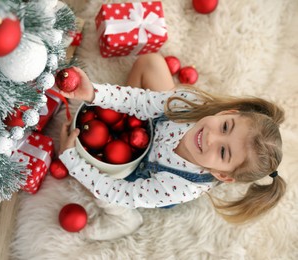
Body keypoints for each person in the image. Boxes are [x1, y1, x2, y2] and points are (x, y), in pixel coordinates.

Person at [58, 53, 286, 240]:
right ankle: (123, 122)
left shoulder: (180, 186)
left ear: (221, 175)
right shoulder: (191, 104)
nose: (210, 138)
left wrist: (72, 160)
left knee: (95, 184)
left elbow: (122, 193)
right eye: (225, 127)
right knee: (150, 63)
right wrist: (95, 94)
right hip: (153, 126)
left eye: (223, 152)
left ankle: (125, 219)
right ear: (227, 113)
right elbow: (138, 101)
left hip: (144, 173)